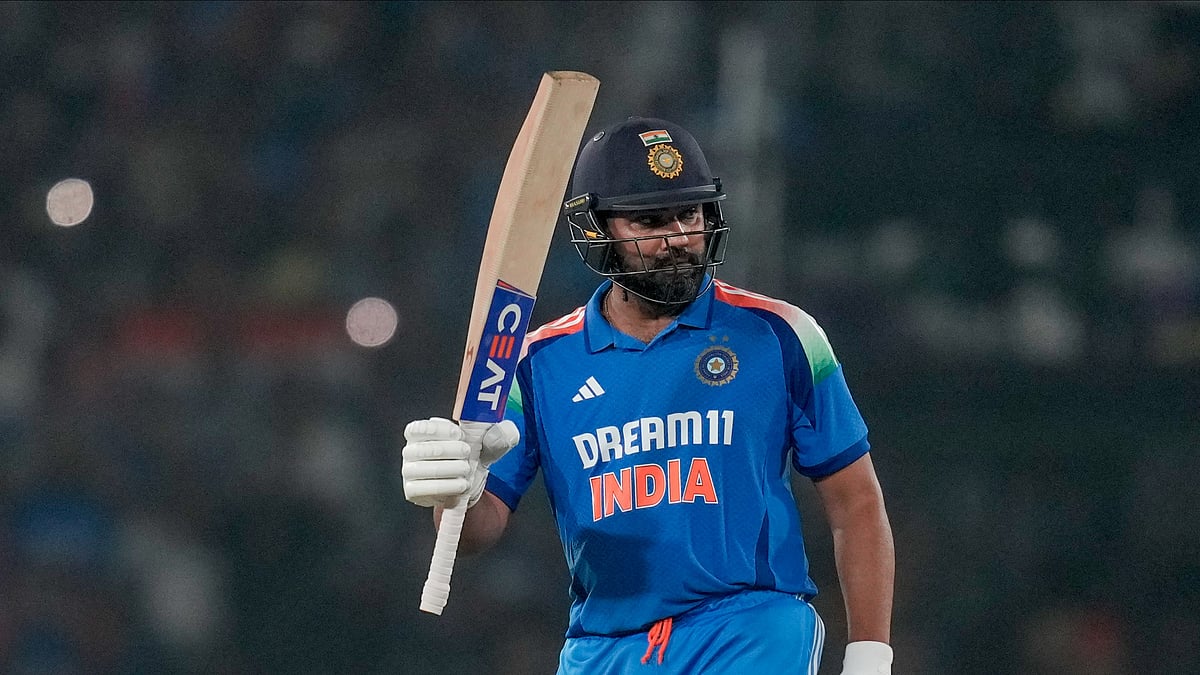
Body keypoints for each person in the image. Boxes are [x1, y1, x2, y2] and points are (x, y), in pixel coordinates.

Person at [402, 117, 894, 674]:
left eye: (690, 213)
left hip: (748, 629)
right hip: (603, 647)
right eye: (649, 221)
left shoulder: (781, 335)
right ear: (598, 230)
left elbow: (856, 502)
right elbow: (476, 531)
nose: (678, 239)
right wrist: (457, 495)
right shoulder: (536, 363)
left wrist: (870, 655)